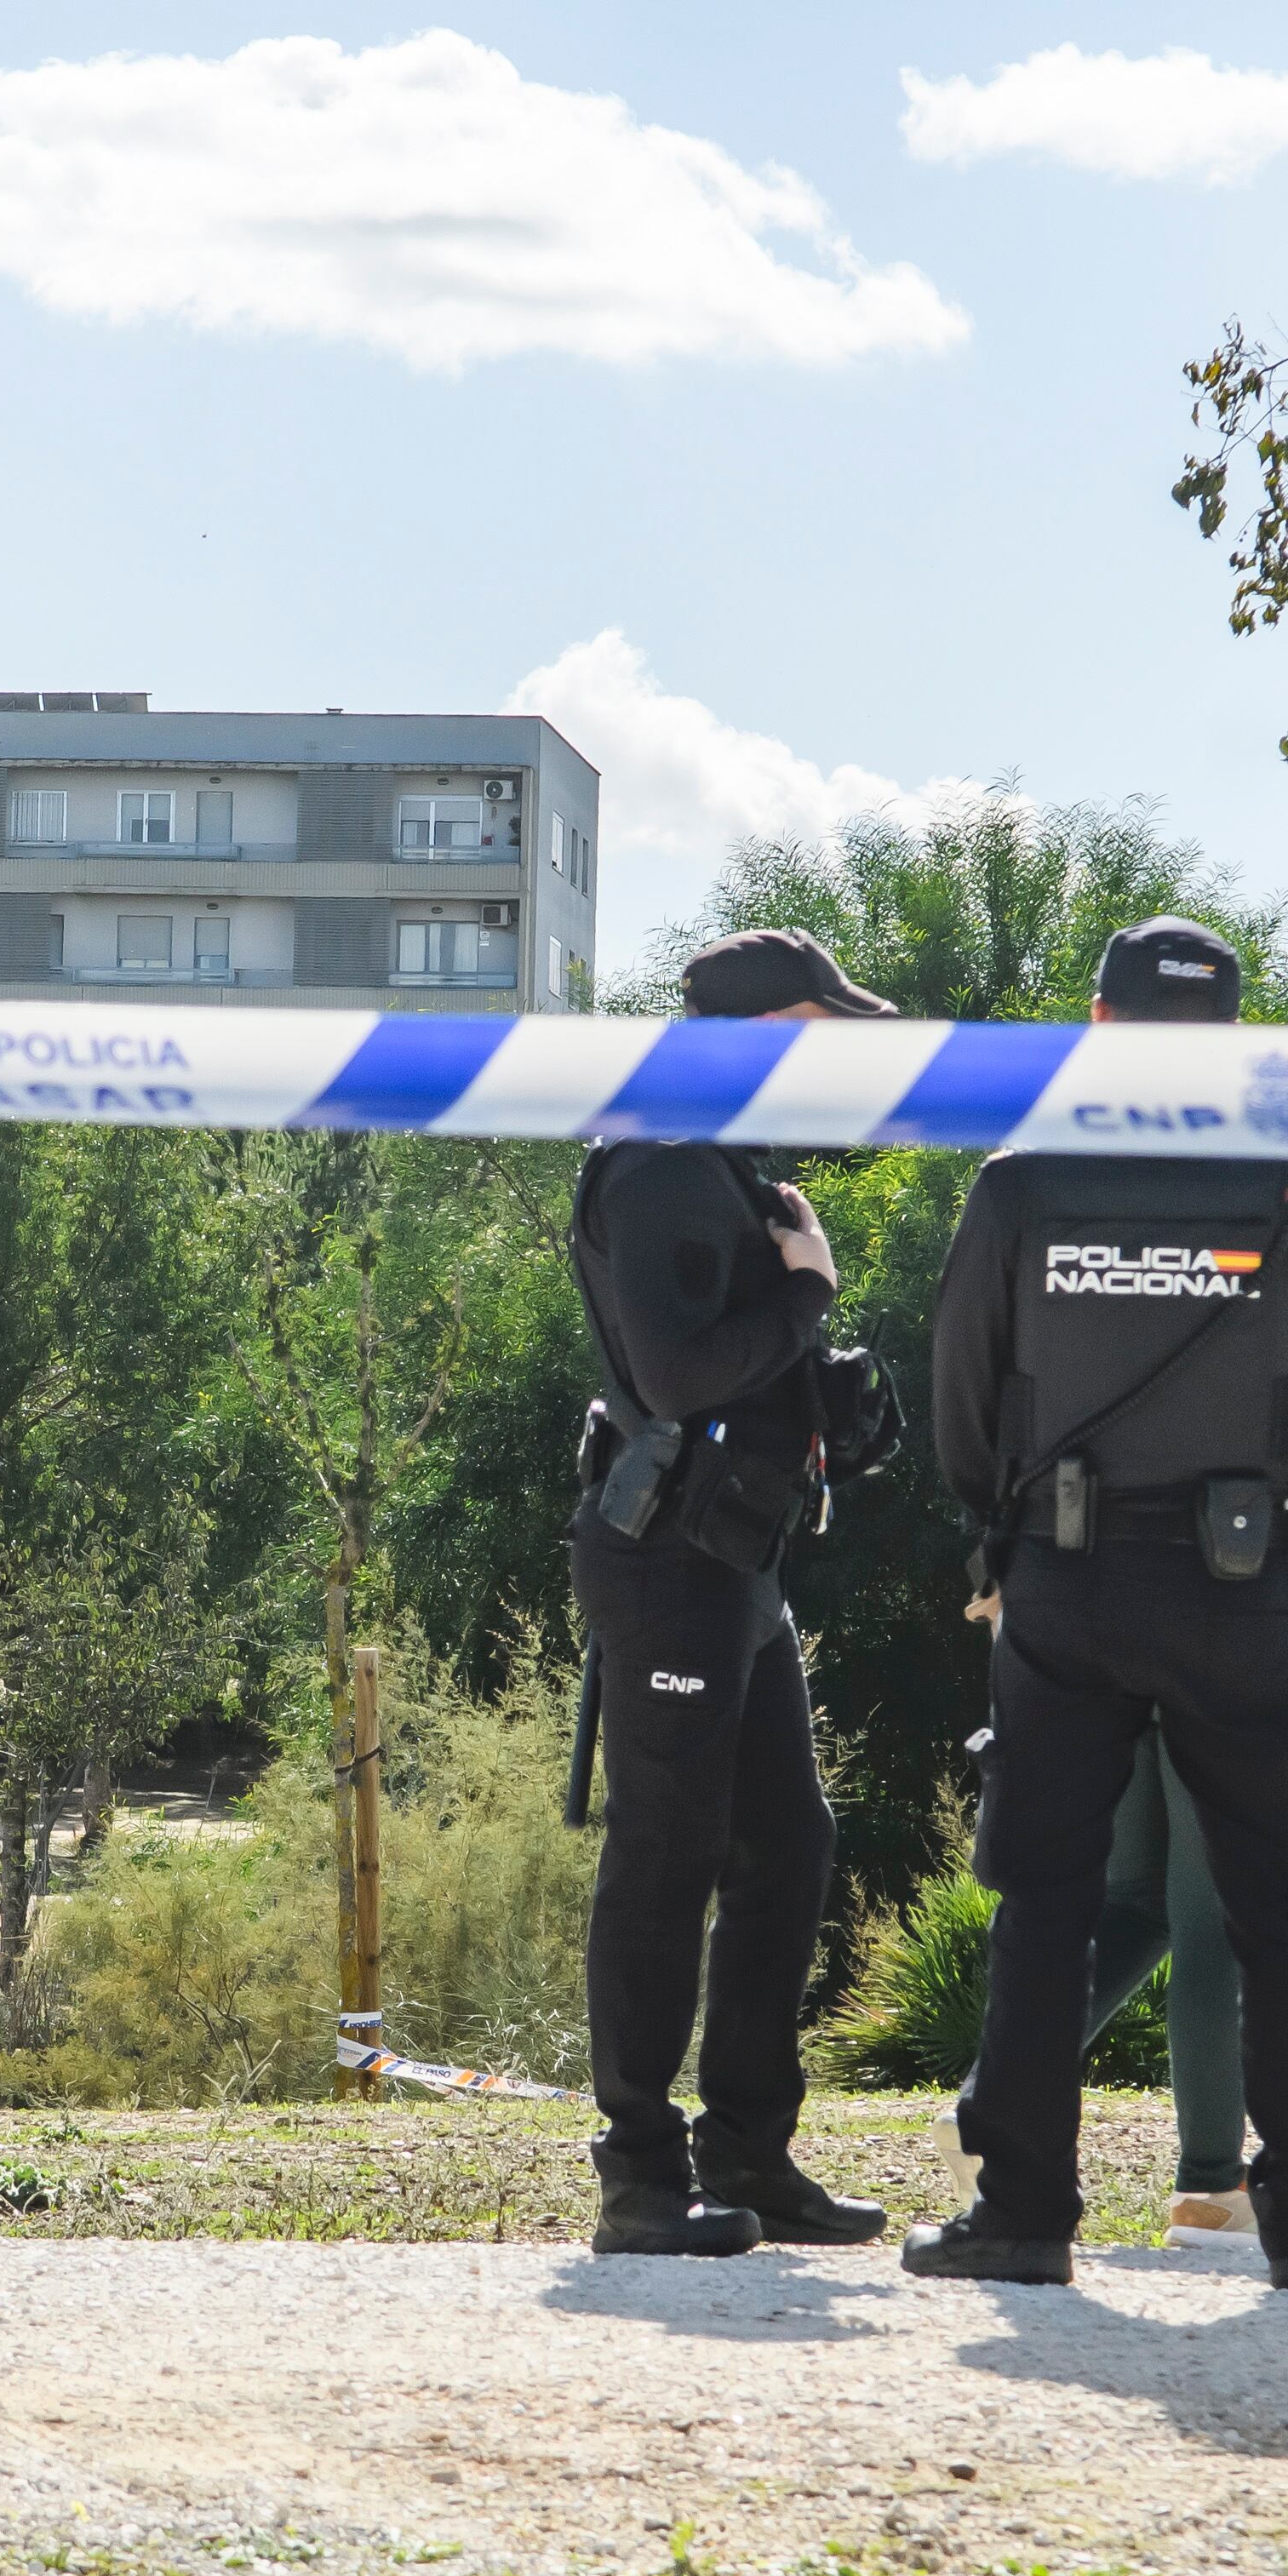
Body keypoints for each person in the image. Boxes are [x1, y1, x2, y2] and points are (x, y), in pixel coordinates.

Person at [906, 914, 1288, 2293]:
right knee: (1272, 1906)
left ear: (1102, 1026)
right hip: (1238, 1587)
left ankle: (1022, 2216)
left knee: (1046, 1901)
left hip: (1064, 1578)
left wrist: (997, 1538)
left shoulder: (1021, 1180)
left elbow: (962, 1390)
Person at [568, 927, 908, 2258]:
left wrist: (820, 1392)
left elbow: (734, 1360)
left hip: (737, 1555)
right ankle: (640, 2181)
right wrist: (806, 1295)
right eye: (821, 1024)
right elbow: (670, 1377)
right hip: (665, 1560)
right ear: (762, 1027)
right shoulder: (655, 1156)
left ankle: (749, 2157)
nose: (834, 1050)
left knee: (789, 1843)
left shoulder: (721, 1157)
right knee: (666, 1855)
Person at [1077, 1398, 1288, 2246]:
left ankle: (989, 2098)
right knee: (1213, 1918)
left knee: (1138, 1900)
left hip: (1093, 1614)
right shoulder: (1263, 1322)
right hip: (1228, 1620)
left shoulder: (1099, 1303)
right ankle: (1212, 2188)